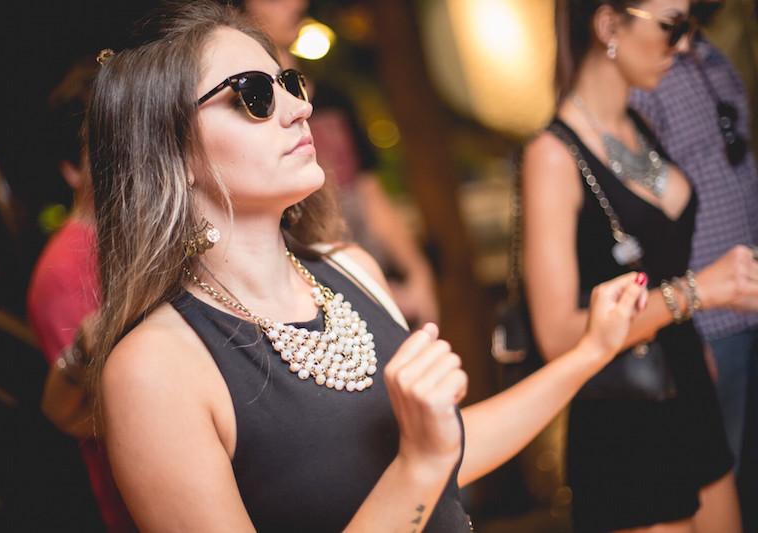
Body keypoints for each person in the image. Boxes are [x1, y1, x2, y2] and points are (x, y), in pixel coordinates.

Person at [85, 2, 650, 531]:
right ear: (171, 150)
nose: (301, 108)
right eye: (254, 94)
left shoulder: (351, 269)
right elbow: (428, 462)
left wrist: (591, 352)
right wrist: (420, 465)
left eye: (289, 84)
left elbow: (454, 449)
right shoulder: (154, 368)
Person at [522, 0, 758, 531]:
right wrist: (696, 292)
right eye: (672, 27)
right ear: (609, 25)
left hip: (689, 389)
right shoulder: (552, 156)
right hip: (627, 418)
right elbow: (556, 334)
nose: (683, 45)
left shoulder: (637, 126)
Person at [238, 0, 440, 327]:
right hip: (312, 291)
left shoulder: (335, 99)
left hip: (367, 269)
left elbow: (372, 198)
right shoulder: (254, 120)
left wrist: (416, 271)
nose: (295, 4)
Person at [630, 0, 758, 485]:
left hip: (749, 292)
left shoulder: (708, 50)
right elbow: (644, 214)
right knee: (720, 470)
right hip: (708, 312)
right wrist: (684, 330)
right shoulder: (646, 70)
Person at [27, 59, 135, 532]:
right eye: (107, 147)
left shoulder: (135, 237)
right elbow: (103, 412)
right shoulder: (63, 270)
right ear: (72, 169)